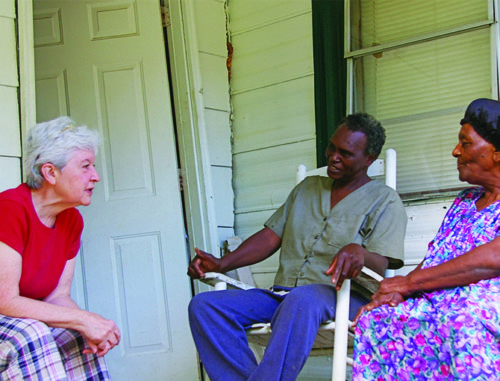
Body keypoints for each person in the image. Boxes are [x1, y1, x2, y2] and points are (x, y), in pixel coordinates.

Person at [187, 113, 407, 381]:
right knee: (205, 306)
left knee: (301, 300)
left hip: (343, 298)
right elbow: (270, 237)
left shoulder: (384, 200)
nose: (333, 157)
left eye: (345, 153)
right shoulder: (307, 188)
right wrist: (222, 264)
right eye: (331, 147)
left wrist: (360, 253)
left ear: (369, 159)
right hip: (284, 296)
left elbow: (383, 263)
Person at [351, 98, 500, 380]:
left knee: (463, 322)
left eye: (465, 143)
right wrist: (399, 291)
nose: (455, 151)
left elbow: (493, 257)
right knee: (377, 319)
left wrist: (407, 283)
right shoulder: (465, 202)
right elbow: (436, 258)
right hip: (444, 298)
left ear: (497, 153)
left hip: (480, 305)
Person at [0, 117, 120, 380]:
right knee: (34, 333)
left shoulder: (71, 219)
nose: (96, 176)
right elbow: (5, 300)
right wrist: (83, 320)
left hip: (14, 320)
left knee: (74, 335)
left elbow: (57, 296)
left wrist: (92, 325)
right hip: (6, 317)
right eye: (85, 166)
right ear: (50, 172)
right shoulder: (10, 208)